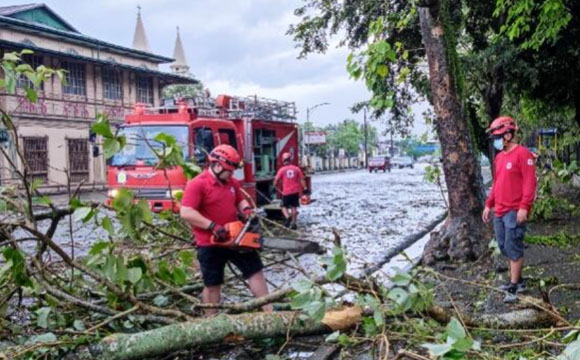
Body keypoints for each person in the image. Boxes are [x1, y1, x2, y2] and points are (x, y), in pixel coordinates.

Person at [180, 144, 272, 314]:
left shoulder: (232, 182)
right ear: (217, 165)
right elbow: (186, 212)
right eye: (229, 170)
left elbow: (239, 200)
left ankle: (269, 311)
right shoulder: (197, 184)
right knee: (213, 284)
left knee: (255, 271)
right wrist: (212, 226)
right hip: (210, 242)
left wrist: (246, 211)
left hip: (236, 237)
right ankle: (211, 323)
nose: (231, 174)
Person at [482, 116, 537, 303]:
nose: (496, 142)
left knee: (514, 246)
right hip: (500, 210)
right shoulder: (499, 158)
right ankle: (517, 280)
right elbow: (497, 184)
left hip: (514, 210)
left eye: (498, 137)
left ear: (508, 134)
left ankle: (514, 286)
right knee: (504, 246)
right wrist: (489, 204)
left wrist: (524, 207)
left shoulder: (523, 154)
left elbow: (530, 184)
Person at [275, 152, 307, 229]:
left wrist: (275, 185)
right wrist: (305, 188)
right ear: (290, 160)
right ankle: (294, 223)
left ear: (283, 160)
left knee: (283, 206)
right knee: (294, 207)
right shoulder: (296, 169)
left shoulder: (282, 170)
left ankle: (287, 217)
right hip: (295, 192)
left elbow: (276, 180)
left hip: (286, 192)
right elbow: (302, 179)